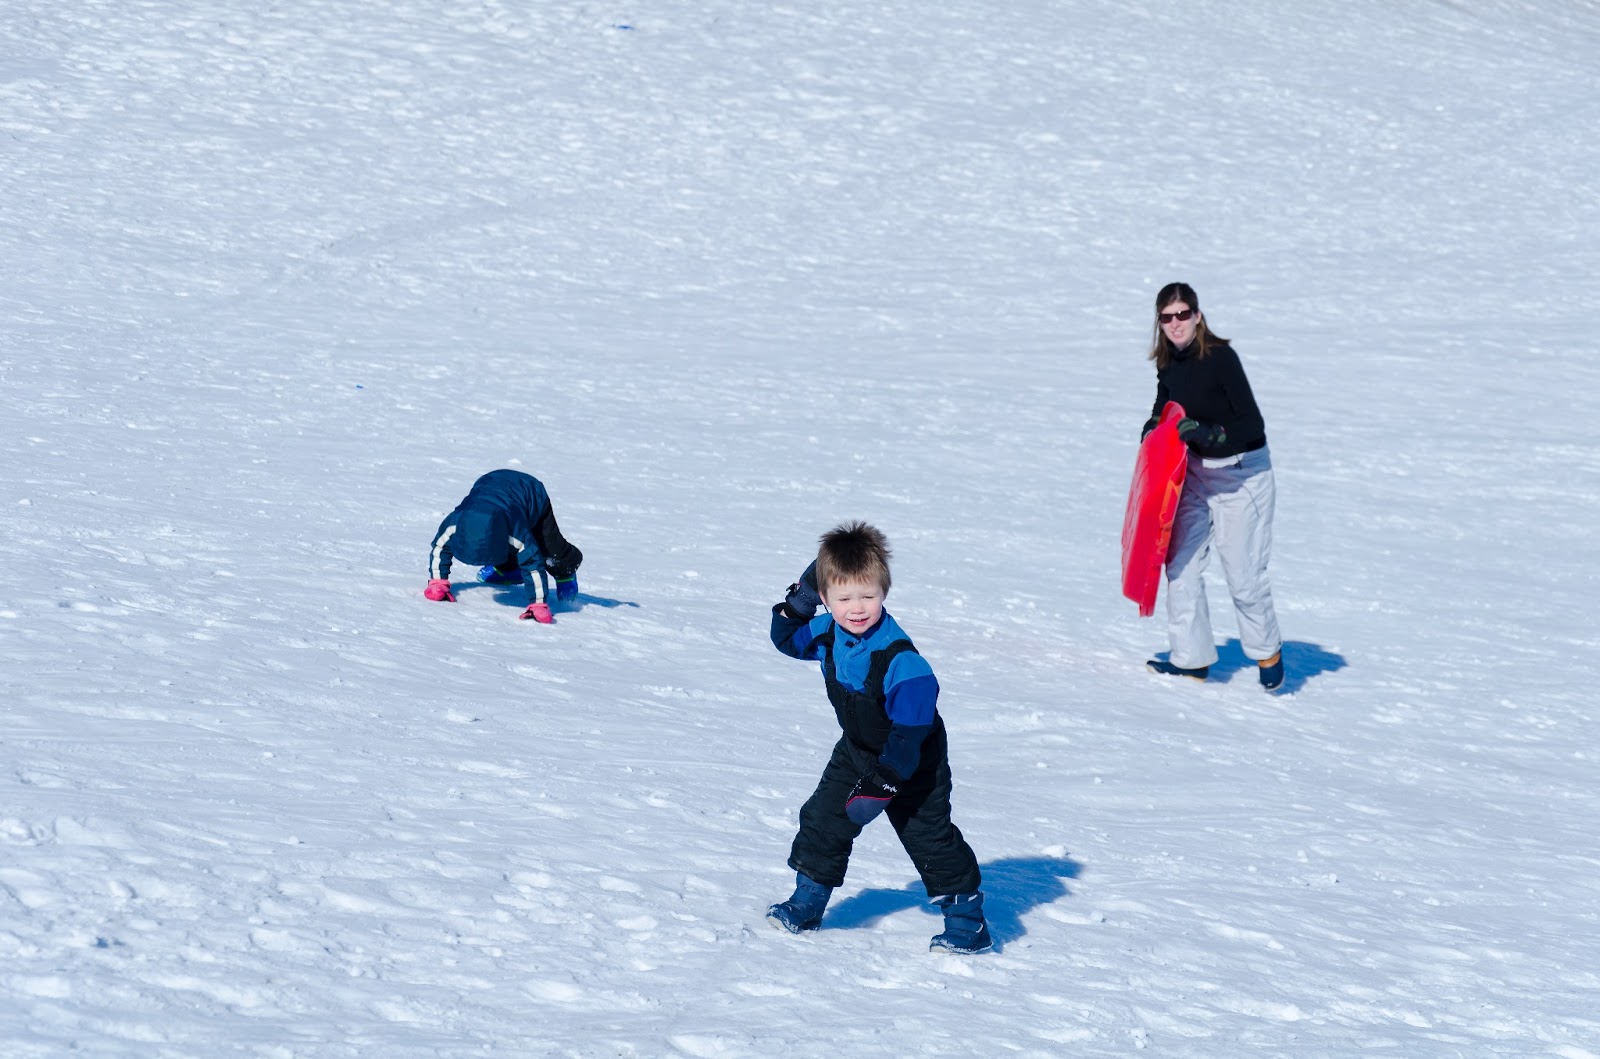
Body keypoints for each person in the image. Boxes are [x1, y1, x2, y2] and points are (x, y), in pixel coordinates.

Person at [766, 521, 991, 954]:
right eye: (843, 598)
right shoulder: (827, 632)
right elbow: (787, 639)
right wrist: (799, 601)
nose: (856, 608)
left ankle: (968, 923)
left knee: (928, 838)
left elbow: (910, 732)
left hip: (914, 760)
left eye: (867, 596)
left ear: (883, 592)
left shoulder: (903, 662)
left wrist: (886, 781)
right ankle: (807, 903)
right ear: (824, 598)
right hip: (857, 750)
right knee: (823, 819)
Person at [1140, 282, 1283, 689]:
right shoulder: (1169, 362)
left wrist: (1210, 434)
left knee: (1243, 573)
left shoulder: (1220, 358)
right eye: (1166, 317)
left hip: (1242, 475)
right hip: (1196, 474)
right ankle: (1191, 659)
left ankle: (1267, 651)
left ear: (1198, 316)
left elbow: (1251, 425)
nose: (1175, 323)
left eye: (1183, 314)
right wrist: (1153, 429)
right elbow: (1164, 406)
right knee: (1180, 563)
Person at [423, 469, 583, 624]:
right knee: (502, 548)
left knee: (550, 546)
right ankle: (508, 570)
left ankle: (565, 571)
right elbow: (440, 548)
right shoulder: (455, 523)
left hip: (530, 492)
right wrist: (438, 582)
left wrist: (538, 604)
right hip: (490, 485)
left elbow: (531, 561)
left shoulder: (514, 531)